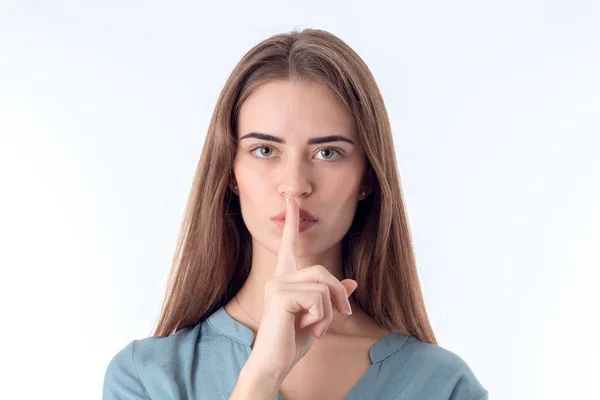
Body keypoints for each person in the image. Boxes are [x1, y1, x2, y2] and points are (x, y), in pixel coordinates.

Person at [102, 28, 488, 400]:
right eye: (265, 151)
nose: (294, 185)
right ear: (230, 173)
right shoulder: (146, 379)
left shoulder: (443, 386)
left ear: (366, 178)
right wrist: (262, 375)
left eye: (327, 153)